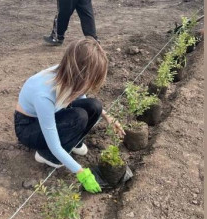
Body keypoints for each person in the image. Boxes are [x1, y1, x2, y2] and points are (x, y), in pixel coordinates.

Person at [14, 38, 125, 193]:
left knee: (95, 106)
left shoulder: (67, 73)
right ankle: (45, 155)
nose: (89, 85)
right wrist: (81, 172)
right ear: (80, 74)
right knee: (78, 117)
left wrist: (107, 116)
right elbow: (54, 143)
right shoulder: (43, 94)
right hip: (29, 126)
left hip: (54, 113)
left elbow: (81, 96)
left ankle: (73, 142)